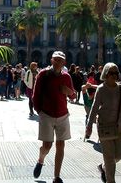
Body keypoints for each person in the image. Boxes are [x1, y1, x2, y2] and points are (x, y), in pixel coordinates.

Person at [85, 62, 121, 183]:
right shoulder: (101, 89)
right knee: (109, 157)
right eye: (111, 73)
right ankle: (110, 180)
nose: (114, 75)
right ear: (106, 74)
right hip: (104, 127)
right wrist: (89, 125)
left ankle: (103, 167)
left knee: (118, 156)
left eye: (116, 73)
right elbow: (94, 108)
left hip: (118, 126)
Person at [32, 51, 76, 183]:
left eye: (61, 60)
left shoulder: (67, 77)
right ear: (51, 60)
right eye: (56, 60)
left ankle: (56, 176)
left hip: (63, 115)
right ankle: (41, 160)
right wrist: (39, 112)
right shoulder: (43, 75)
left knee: (61, 145)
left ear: (64, 63)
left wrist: (69, 92)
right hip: (46, 114)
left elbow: (73, 96)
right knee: (47, 146)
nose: (58, 62)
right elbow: (36, 95)